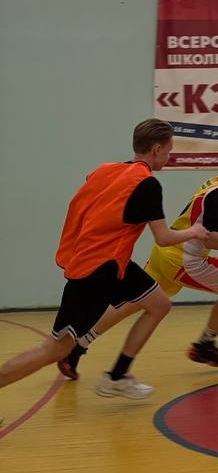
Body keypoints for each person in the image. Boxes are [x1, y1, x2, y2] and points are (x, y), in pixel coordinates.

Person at [0, 119, 207, 403]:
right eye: (169, 150)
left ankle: (117, 376)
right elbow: (163, 237)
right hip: (99, 270)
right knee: (55, 349)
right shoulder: (147, 184)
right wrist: (194, 231)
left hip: (108, 260)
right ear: (157, 149)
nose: (169, 156)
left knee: (159, 304)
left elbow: (80, 209)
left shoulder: (105, 171)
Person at [136, 142, 218, 368]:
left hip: (165, 252)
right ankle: (205, 344)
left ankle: (79, 342)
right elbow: (211, 239)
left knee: (133, 300)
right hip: (184, 258)